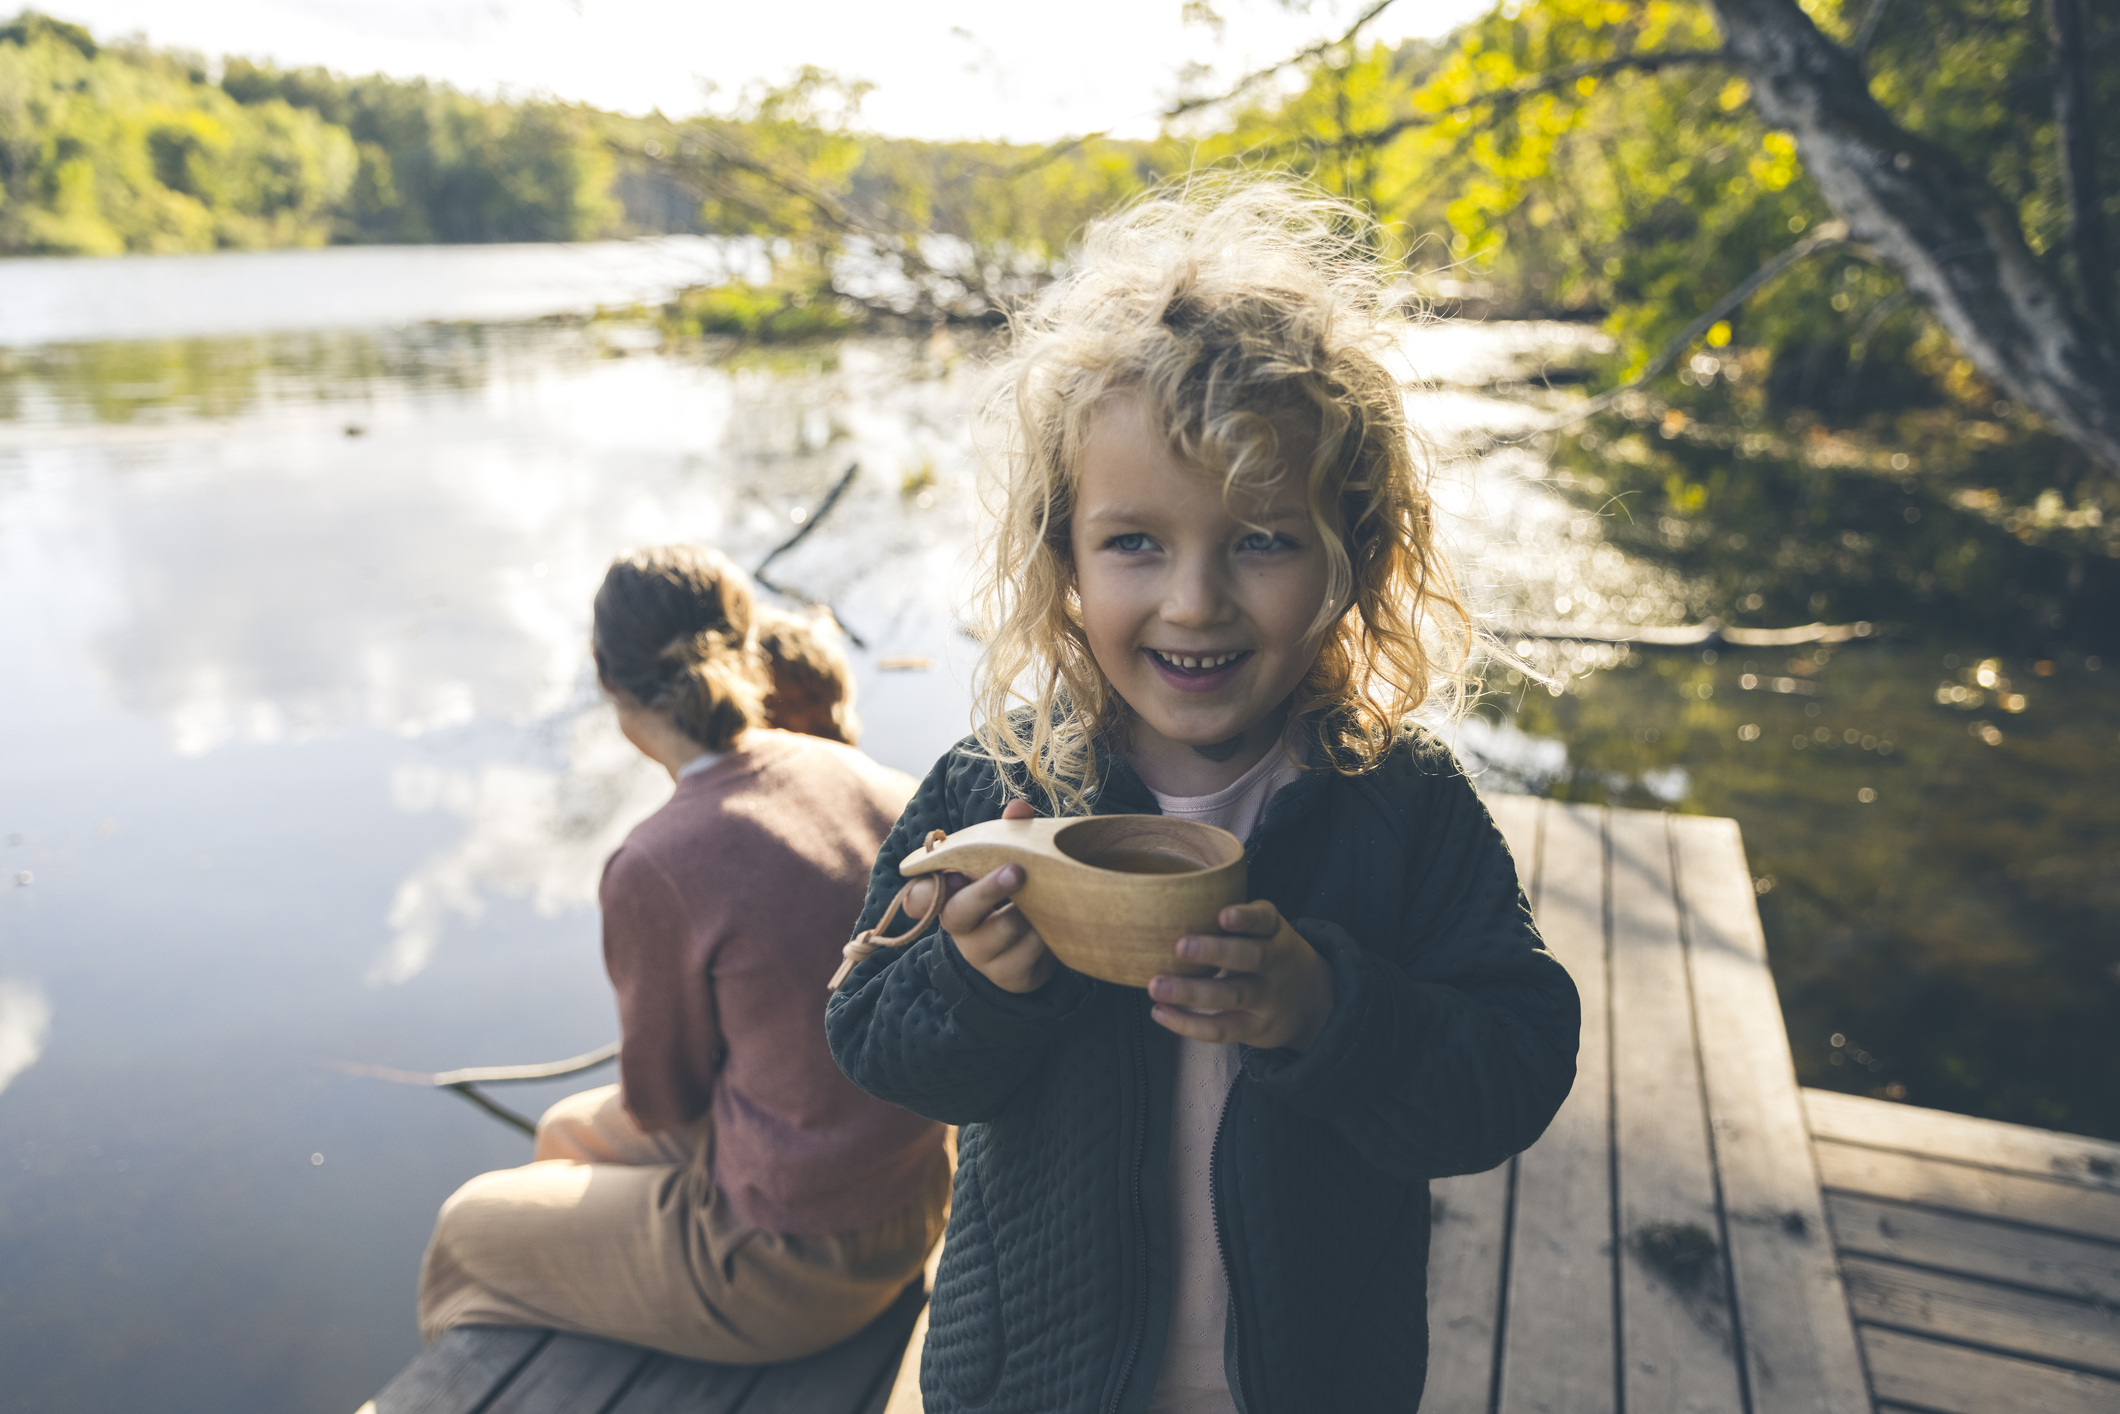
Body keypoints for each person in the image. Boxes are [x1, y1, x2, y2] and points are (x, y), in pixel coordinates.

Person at [825, 179, 1580, 1414]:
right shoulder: (1000, 785)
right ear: (1061, 555)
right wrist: (976, 982)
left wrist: (1326, 1010)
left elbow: (1513, 1064)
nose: (1193, 601)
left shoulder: (1401, 805)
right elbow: (869, 1030)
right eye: (1134, 543)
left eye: (1261, 539)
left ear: (1355, 556)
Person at [416, 546, 948, 1363]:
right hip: (914, 1199)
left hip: (794, 1268)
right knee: (565, 1131)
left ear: (609, 683)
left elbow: (663, 1098)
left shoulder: (657, 864)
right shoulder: (864, 774)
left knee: (467, 1231)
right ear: (746, 647)